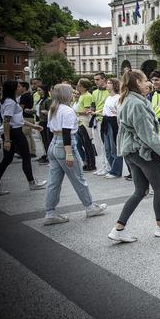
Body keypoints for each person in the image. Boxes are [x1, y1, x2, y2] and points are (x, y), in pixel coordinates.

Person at [108, 70, 160, 243]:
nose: (149, 83)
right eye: (146, 80)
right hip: (143, 152)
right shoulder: (137, 104)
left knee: (141, 190)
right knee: (159, 188)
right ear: (138, 82)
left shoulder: (126, 100)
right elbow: (148, 136)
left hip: (132, 152)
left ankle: (119, 228)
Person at [43, 84, 108, 225]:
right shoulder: (67, 110)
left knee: (54, 182)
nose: (73, 93)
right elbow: (66, 133)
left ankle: (50, 212)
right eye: (71, 91)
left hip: (54, 144)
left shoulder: (53, 109)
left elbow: (52, 131)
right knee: (78, 178)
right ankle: (89, 207)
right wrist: (69, 154)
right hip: (65, 145)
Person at [0, 80, 47, 196]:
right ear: (13, 89)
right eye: (19, 86)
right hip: (14, 133)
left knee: (7, 159)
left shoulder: (11, 101)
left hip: (13, 131)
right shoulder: (10, 102)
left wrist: (34, 126)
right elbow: (7, 121)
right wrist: (6, 139)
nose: (21, 88)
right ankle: (32, 183)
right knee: (26, 156)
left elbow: (18, 120)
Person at [101, 78, 123, 179]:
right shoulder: (108, 97)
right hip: (105, 121)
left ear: (115, 85)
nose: (107, 84)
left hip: (113, 122)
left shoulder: (118, 98)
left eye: (109, 83)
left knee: (114, 147)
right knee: (107, 148)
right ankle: (111, 168)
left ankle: (116, 171)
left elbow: (118, 112)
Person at [74, 78, 97, 172]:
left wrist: (76, 112)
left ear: (83, 86)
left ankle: (92, 164)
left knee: (87, 144)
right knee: (84, 143)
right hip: (80, 121)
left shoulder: (87, 96)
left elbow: (87, 111)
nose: (77, 87)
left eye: (79, 85)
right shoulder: (82, 96)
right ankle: (88, 163)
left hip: (85, 122)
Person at [91, 72, 110, 176]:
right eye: (95, 79)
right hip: (95, 120)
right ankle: (102, 166)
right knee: (98, 145)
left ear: (103, 79)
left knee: (104, 145)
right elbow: (93, 105)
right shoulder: (94, 92)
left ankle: (107, 166)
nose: (96, 81)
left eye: (98, 79)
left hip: (104, 120)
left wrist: (96, 111)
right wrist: (91, 110)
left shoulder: (109, 91)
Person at [18, 81, 37, 158]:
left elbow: (20, 108)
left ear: (24, 87)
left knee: (26, 136)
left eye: (20, 87)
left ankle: (27, 153)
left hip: (26, 118)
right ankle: (32, 151)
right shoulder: (29, 95)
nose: (19, 88)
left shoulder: (24, 96)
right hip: (30, 117)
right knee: (29, 135)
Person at [35, 84, 52, 165]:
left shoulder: (48, 100)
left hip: (45, 121)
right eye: (37, 90)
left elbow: (52, 112)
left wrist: (46, 112)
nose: (38, 92)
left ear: (44, 91)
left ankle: (49, 157)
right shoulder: (40, 99)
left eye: (40, 90)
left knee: (46, 140)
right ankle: (46, 155)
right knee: (43, 140)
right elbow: (38, 110)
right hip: (40, 120)